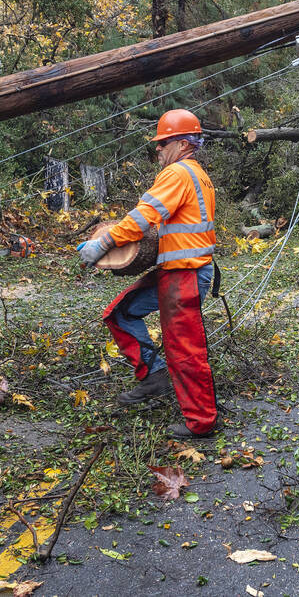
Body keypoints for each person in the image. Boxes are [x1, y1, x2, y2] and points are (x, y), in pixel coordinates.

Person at [77, 108, 218, 438]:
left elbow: (143, 218)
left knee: (184, 349)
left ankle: (202, 422)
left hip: (186, 274)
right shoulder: (197, 174)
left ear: (184, 144)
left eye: (164, 142)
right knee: (120, 314)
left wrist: (103, 244)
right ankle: (155, 378)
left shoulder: (179, 173)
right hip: (177, 272)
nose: (158, 149)